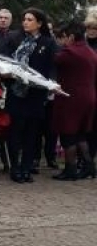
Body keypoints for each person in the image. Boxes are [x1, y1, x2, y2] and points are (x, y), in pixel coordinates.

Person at [6, 8, 56, 184]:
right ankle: (14, 167)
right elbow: (7, 61)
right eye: (24, 19)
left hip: (35, 94)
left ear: (39, 23)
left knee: (32, 133)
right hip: (17, 92)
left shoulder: (48, 43)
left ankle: (27, 167)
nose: (25, 22)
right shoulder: (16, 39)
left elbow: (51, 67)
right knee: (16, 131)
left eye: (30, 19)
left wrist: (49, 85)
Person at [51, 20, 97, 180]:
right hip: (88, 96)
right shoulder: (90, 51)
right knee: (81, 135)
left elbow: (55, 59)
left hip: (71, 98)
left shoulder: (70, 52)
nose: (61, 41)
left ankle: (70, 170)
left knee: (67, 134)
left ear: (70, 36)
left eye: (62, 37)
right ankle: (89, 167)